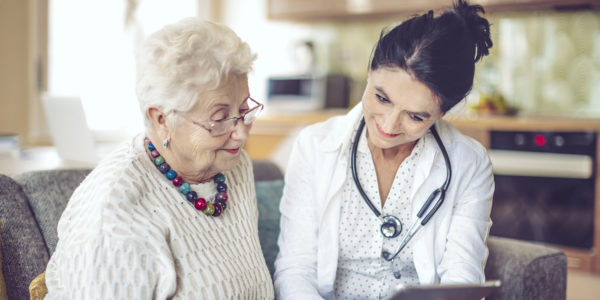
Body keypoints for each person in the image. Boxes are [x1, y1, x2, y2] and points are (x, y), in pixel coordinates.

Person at [274, 1, 494, 299]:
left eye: (416, 116)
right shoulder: (314, 146)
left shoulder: (469, 162)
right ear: (369, 73)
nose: (389, 126)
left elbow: (462, 276)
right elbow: (295, 270)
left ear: (442, 113)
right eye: (381, 98)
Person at [44, 18, 274, 299]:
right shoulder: (112, 215)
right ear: (161, 118)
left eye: (244, 109)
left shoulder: (231, 166)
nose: (240, 133)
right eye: (220, 118)